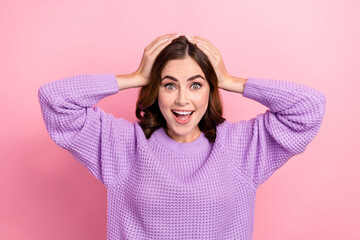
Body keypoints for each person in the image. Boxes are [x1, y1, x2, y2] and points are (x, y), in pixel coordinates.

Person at [38, 33, 326, 239]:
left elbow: (309, 108)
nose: (182, 100)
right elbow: (55, 100)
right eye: (170, 85)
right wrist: (136, 76)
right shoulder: (124, 145)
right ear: (155, 89)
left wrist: (229, 81)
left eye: (196, 85)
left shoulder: (241, 147)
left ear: (210, 91)